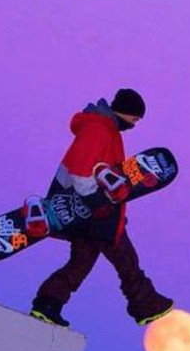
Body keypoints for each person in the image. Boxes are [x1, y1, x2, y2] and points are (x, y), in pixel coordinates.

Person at [27, 88, 173, 328]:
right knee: (126, 260)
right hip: (95, 213)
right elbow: (81, 170)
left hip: (90, 213)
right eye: (135, 118)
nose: (134, 124)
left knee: (80, 263)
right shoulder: (99, 129)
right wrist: (96, 200)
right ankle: (146, 306)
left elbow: (105, 171)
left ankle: (47, 304)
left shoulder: (107, 129)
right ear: (125, 111)